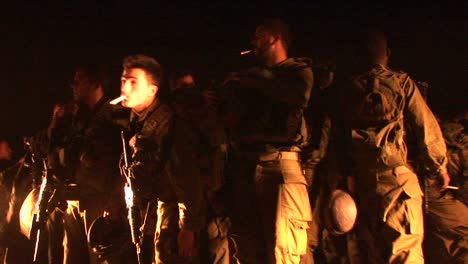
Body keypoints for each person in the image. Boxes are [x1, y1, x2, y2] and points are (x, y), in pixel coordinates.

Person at [336, 31, 450, 263]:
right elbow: (425, 126)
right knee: (405, 255)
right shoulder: (401, 82)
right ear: (387, 54)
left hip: (364, 186)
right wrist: (439, 168)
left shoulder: (347, 89)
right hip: (397, 182)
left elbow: (337, 139)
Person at [223, 18, 314, 263]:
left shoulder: (298, 72)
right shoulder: (247, 79)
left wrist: (254, 80)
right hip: (247, 166)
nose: (253, 41)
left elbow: (298, 95)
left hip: (280, 167)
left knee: (283, 252)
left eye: (259, 35)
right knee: (247, 251)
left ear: (275, 38)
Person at [119, 54, 203, 263]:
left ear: (152, 90)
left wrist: (188, 227)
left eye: (133, 82)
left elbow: (187, 179)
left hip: (172, 215)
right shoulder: (136, 124)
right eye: (123, 80)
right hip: (151, 213)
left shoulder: (167, 125)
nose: (125, 88)